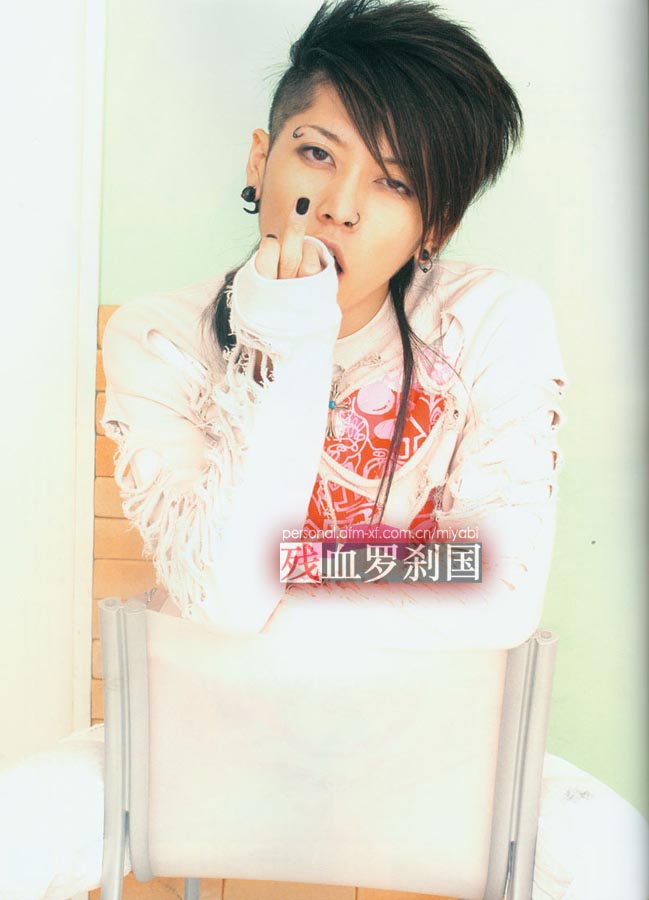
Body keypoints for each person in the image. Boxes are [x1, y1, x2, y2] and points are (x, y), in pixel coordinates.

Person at [0, 2, 646, 898]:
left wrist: (277, 577)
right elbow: (227, 594)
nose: (339, 206)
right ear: (258, 158)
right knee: (17, 831)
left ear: (436, 225)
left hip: (433, 748)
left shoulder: (489, 320)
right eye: (316, 154)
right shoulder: (160, 337)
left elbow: (494, 589)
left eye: (394, 183)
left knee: (614, 858)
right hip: (201, 739)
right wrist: (286, 332)